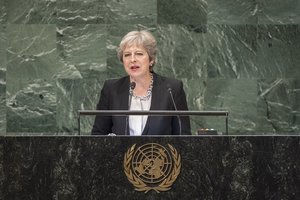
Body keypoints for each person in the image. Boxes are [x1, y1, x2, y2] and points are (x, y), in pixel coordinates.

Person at [91, 30, 191, 135]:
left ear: (151, 59)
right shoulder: (111, 89)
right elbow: (98, 134)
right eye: (127, 55)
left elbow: (183, 136)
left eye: (139, 54)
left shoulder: (172, 89)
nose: (132, 59)